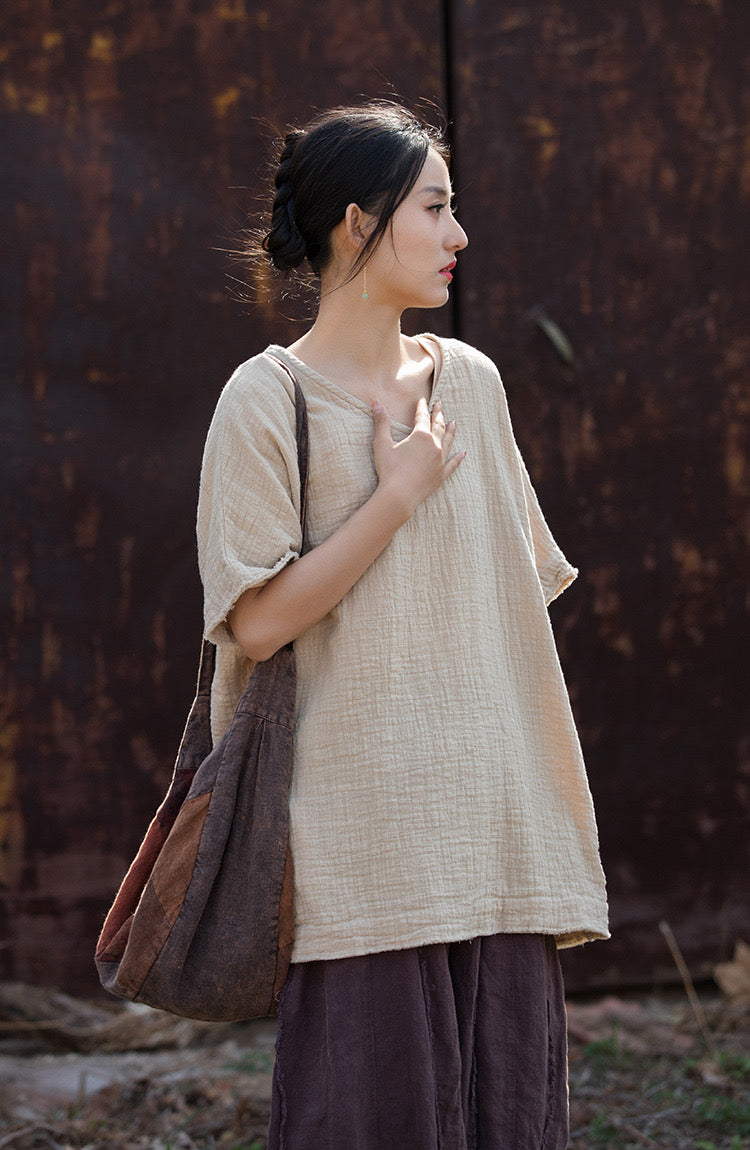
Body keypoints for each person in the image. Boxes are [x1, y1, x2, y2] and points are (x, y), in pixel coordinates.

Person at [197, 101, 608, 1150]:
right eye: (435, 207)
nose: (458, 233)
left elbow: (500, 604)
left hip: (496, 834)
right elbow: (256, 625)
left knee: (510, 1119)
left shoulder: (472, 383)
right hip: (361, 845)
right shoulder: (265, 399)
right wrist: (396, 495)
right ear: (356, 223)